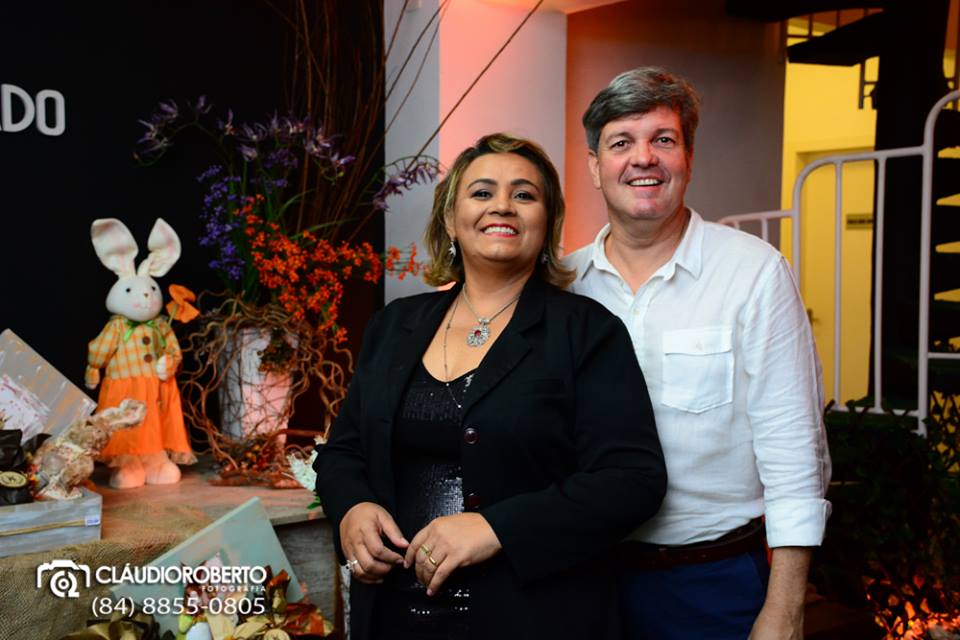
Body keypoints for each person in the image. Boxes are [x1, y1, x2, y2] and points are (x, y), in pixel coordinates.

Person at [313, 133, 666, 640]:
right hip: (394, 616)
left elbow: (633, 480)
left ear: (547, 223)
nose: (502, 205)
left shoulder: (587, 331)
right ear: (450, 219)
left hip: (535, 618)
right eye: (481, 192)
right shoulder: (395, 325)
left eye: (524, 194)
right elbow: (343, 451)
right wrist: (351, 508)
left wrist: (496, 528)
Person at [564, 67, 831, 640]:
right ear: (593, 166)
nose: (643, 158)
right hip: (581, 579)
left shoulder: (754, 273)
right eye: (621, 142)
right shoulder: (562, 284)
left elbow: (794, 450)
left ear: (689, 157)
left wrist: (785, 608)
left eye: (663, 139)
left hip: (713, 584)